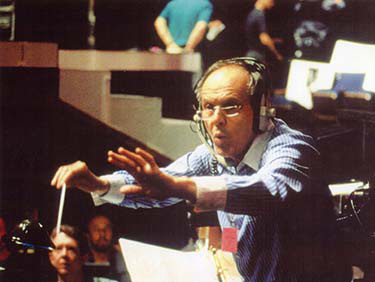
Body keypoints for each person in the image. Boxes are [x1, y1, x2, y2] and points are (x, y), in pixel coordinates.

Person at [51, 57, 350, 281]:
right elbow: (157, 185)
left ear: (262, 108)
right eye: (208, 107)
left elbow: (268, 191)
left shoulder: (291, 147)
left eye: (231, 106)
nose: (216, 119)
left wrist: (180, 188)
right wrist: (97, 184)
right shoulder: (212, 158)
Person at [85, 214, 131, 282]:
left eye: (107, 228)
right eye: (96, 229)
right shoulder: (79, 267)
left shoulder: (126, 263)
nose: (102, 233)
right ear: (88, 235)